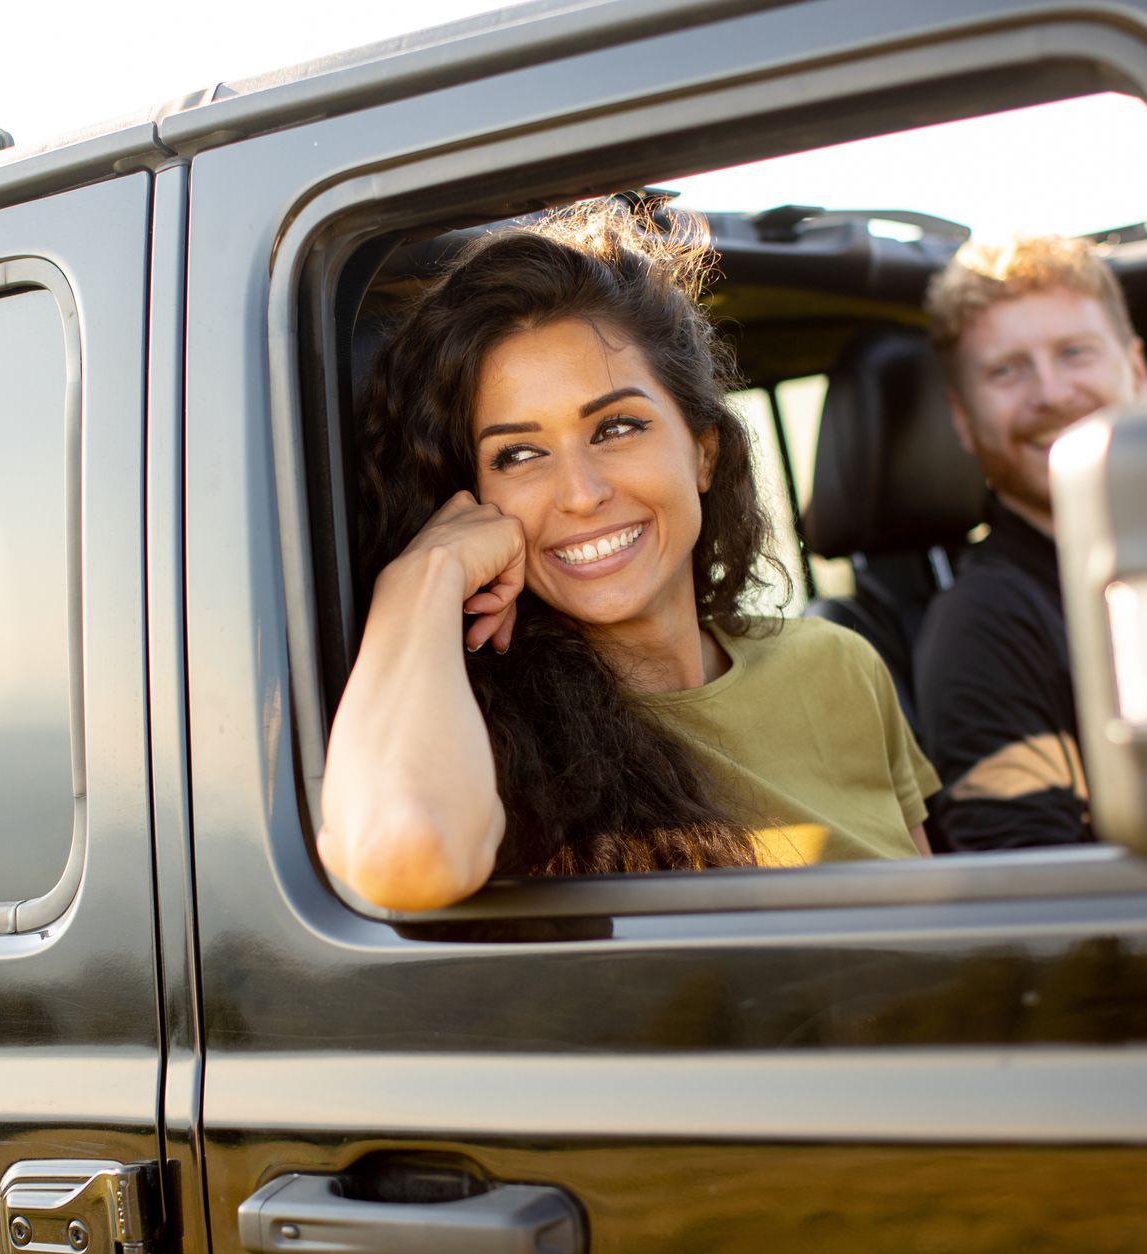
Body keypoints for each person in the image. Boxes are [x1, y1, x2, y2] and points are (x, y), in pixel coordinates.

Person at [318, 200, 938, 912]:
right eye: (518, 454)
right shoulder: (474, 739)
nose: (581, 495)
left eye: (616, 428)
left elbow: (942, 937)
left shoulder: (840, 665)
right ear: (471, 501)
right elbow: (402, 854)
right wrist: (419, 579)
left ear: (702, 451)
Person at [915, 235, 1147, 851]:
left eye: (1075, 352)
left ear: (1140, 373)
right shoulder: (984, 623)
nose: (1050, 393)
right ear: (963, 419)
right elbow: (1040, 903)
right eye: (1007, 370)